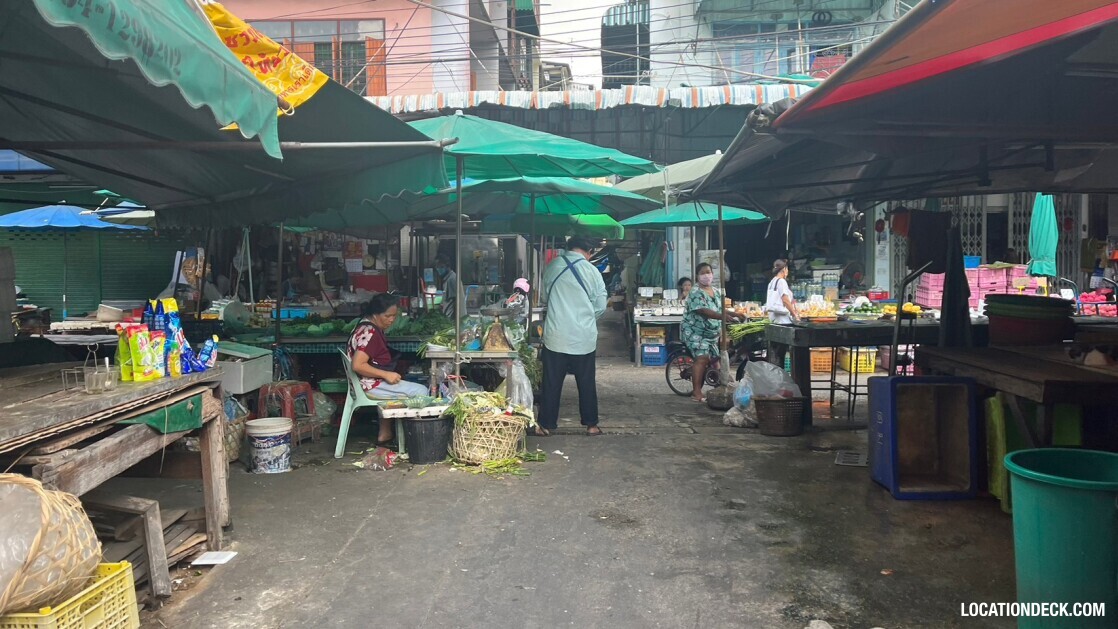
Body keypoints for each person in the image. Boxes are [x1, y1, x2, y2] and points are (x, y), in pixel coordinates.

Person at [537, 236, 608, 436]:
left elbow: (544, 298)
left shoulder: (552, 267)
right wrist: (585, 319)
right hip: (583, 338)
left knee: (551, 382)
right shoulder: (592, 271)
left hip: (556, 335)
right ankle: (591, 425)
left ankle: (545, 426)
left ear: (568, 247)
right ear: (589, 251)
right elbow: (601, 306)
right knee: (586, 383)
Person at [347, 293, 429, 447]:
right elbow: (358, 365)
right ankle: (415, 438)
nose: (391, 320)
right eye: (387, 316)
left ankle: (386, 433)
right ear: (375, 314)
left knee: (406, 385)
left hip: (363, 382)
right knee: (421, 391)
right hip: (369, 384)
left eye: (394, 316)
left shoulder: (363, 324)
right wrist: (386, 374)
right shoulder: (370, 333)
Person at [681, 263, 741, 403]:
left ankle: (720, 387)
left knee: (715, 359)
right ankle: (696, 392)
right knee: (702, 359)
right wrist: (722, 317)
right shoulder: (695, 292)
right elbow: (703, 310)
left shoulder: (716, 291)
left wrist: (735, 313)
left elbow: (720, 309)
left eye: (708, 272)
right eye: (703, 273)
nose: (706, 275)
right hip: (695, 331)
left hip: (711, 333)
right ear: (697, 276)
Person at [763, 259, 799, 368]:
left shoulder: (772, 282)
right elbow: (785, 299)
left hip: (774, 321)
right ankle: (783, 378)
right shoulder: (781, 281)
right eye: (787, 269)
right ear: (784, 269)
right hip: (783, 322)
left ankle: (777, 377)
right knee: (782, 354)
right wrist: (794, 314)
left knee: (777, 355)